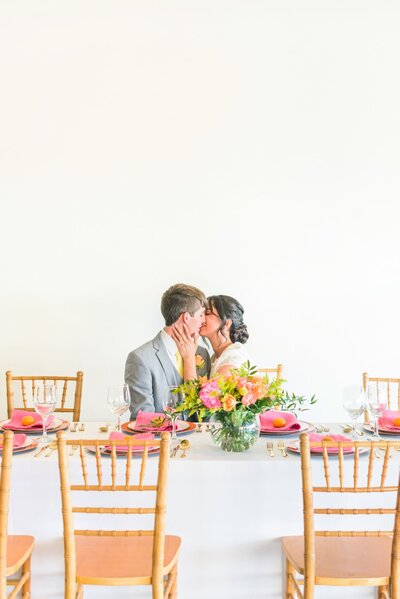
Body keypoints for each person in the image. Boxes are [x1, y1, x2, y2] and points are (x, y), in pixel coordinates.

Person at [125, 284, 211, 418]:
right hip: (160, 438)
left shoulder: (202, 354)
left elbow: (203, 413)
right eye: (201, 314)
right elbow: (142, 417)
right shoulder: (140, 358)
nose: (204, 320)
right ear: (186, 317)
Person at [172, 294, 251, 377]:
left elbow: (190, 390)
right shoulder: (217, 356)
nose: (201, 317)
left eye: (208, 313)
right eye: (201, 313)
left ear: (226, 324)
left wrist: (189, 358)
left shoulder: (229, 365)